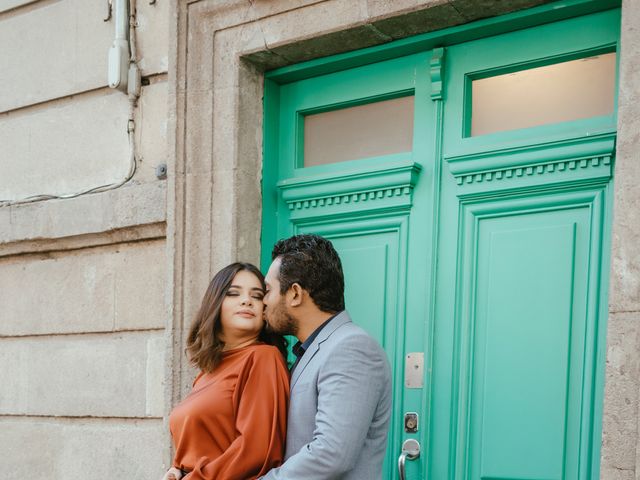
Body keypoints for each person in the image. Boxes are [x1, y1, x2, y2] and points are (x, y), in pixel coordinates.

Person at [261, 234, 392, 480]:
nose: (263, 302)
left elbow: (332, 453)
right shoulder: (312, 349)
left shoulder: (352, 348)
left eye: (268, 291)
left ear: (295, 294)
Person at [162, 262, 290, 480]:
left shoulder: (263, 358)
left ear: (265, 311)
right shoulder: (207, 372)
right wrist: (177, 469)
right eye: (233, 293)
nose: (247, 300)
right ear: (215, 303)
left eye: (257, 296)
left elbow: (256, 451)